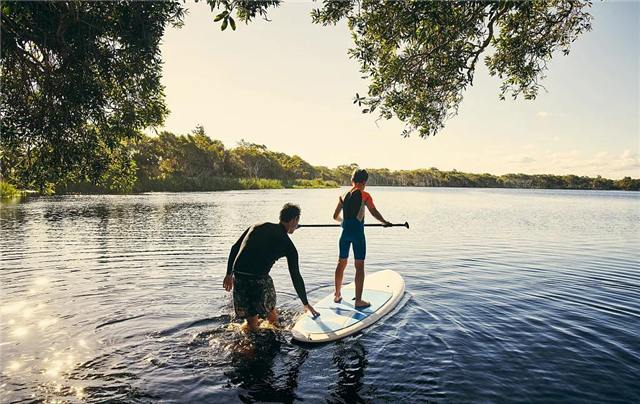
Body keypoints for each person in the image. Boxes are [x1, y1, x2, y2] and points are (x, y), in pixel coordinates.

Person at [223, 203, 320, 331]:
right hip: (259, 280)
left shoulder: (257, 226)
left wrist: (229, 274)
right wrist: (305, 303)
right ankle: (276, 333)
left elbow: (235, 248)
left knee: (251, 321)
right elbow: (295, 276)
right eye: (297, 221)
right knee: (272, 315)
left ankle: (249, 343)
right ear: (294, 220)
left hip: (239, 277)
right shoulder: (288, 245)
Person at [332, 169, 391, 308]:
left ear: (352, 180)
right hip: (358, 234)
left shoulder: (343, 195)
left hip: (344, 234)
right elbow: (374, 212)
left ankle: (337, 294)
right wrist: (384, 222)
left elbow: (335, 216)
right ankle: (358, 301)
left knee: (341, 263)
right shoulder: (365, 195)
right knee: (359, 266)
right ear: (364, 182)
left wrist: (343, 222)